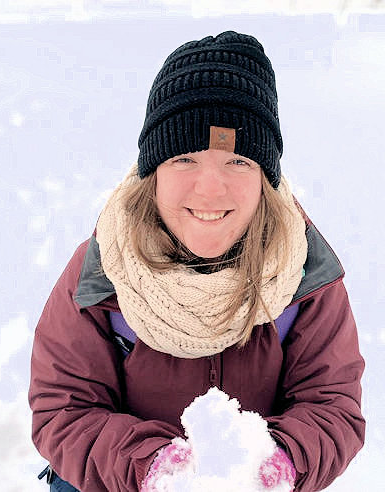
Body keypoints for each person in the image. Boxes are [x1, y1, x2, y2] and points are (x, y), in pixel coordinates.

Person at [28, 30, 365, 491]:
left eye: (237, 161)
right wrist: (157, 469)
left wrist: (276, 464)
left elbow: (332, 407)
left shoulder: (305, 273)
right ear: (154, 173)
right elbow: (64, 412)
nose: (210, 190)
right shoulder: (104, 271)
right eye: (185, 158)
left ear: (265, 177)